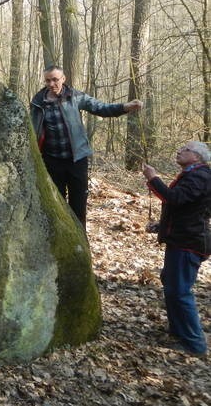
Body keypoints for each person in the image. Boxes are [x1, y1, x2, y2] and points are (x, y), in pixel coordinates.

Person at [30, 65, 143, 227]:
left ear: (63, 79)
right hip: (52, 161)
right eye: (48, 80)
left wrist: (125, 107)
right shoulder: (37, 103)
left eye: (55, 79)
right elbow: (32, 131)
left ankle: (80, 244)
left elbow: (100, 107)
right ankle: (61, 243)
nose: (51, 83)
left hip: (77, 159)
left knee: (78, 205)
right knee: (57, 205)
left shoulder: (74, 96)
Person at [142, 141, 211, 356]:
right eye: (180, 148)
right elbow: (184, 208)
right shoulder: (194, 174)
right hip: (181, 239)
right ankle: (178, 331)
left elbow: (176, 198)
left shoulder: (201, 176)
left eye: (186, 149)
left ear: (197, 157)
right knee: (172, 286)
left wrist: (153, 178)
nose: (179, 150)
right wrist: (160, 226)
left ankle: (195, 343)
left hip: (189, 243)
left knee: (180, 291)